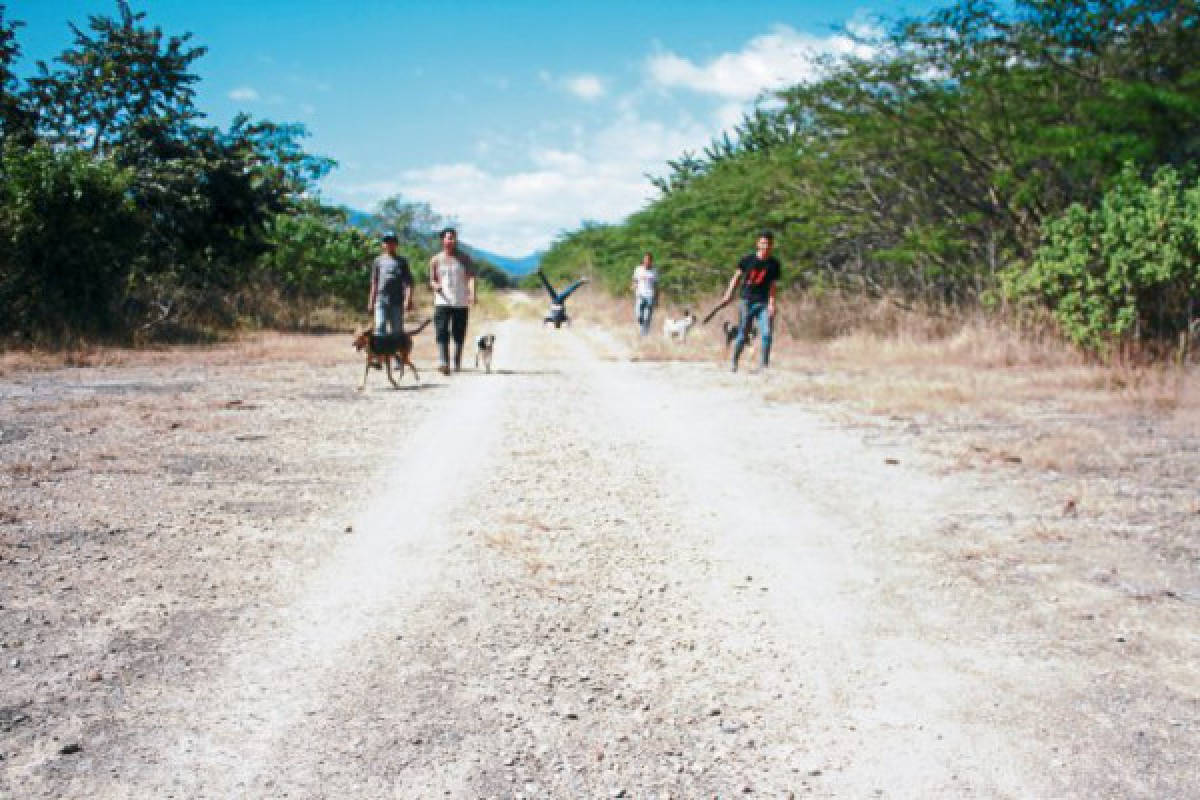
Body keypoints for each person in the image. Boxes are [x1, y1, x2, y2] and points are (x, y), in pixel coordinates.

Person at [717, 231, 781, 372]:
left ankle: (764, 365)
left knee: (767, 333)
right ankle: (734, 361)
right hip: (747, 300)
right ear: (758, 244)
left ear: (772, 245)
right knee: (743, 333)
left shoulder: (774, 264)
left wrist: (772, 303)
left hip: (763, 302)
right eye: (763, 243)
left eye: (769, 244)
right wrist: (728, 294)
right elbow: (736, 278)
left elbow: (773, 286)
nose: (766, 246)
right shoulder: (747, 260)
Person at [429, 227, 476, 374]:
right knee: (441, 331)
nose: (451, 240)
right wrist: (435, 285)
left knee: (458, 332)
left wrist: (472, 293)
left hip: (460, 300)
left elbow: (471, 277)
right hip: (442, 300)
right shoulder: (435, 259)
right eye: (448, 237)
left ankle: (456, 361)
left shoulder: (465, 258)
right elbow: (432, 280)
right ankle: (443, 361)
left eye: (453, 238)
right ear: (442, 240)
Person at [366, 231, 413, 368]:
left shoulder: (402, 262)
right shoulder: (378, 261)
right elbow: (374, 282)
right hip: (381, 300)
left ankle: (397, 358)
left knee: (397, 331)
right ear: (383, 245)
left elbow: (408, 282)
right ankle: (378, 358)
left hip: (397, 301)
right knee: (380, 326)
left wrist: (408, 299)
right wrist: (371, 301)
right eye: (386, 241)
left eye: (392, 241)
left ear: (396, 244)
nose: (389, 244)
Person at [631, 252, 657, 336]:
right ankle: (642, 329)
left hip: (650, 295)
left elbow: (656, 285)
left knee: (647, 317)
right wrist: (633, 286)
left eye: (648, 260)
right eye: (645, 259)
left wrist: (657, 298)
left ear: (651, 261)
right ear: (643, 260)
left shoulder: (654, 271)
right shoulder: (638, 269)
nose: (646, 261)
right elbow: (635, 280)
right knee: (639, 315)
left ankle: (645, 334)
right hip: (640, 295)